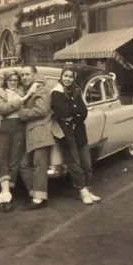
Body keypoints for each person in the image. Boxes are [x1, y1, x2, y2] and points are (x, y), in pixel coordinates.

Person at [50, 67, 101, 204]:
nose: (67, 79)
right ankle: (82, 192)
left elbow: (83, 112)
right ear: (61, 77)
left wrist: (74, 118)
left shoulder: (76, 90)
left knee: (86, 163)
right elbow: (62, 113)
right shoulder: (56, 92)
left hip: (78, 130)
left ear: (73, 78)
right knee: (74, 163)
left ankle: (88, 189)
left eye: (70, 77)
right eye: (65, 76)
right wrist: (74, 113)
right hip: (65, 133)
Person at [0, 70, 38, 212]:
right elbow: (3, 109)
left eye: (15, 80)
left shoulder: (23, 91)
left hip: (19, 127)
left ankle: (8, 195)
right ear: (5, 81)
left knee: (14, 161)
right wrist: (22, 100)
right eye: (10, 80)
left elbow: (38, 81)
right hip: (4, 127)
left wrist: (35, 84)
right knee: (1, 159)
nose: (12, 82)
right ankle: (5, 192)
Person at [18, 66, 55, 211]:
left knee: (39, 166)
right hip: (31, 134)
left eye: (27, 74)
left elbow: (41, 110)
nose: (24, 77)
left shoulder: (42, 90)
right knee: (23, 165)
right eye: (22, 75)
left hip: (41, 131)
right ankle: (35, 194)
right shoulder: (28, 91)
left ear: (35, 75)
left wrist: (22, 113)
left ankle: (39, 199)